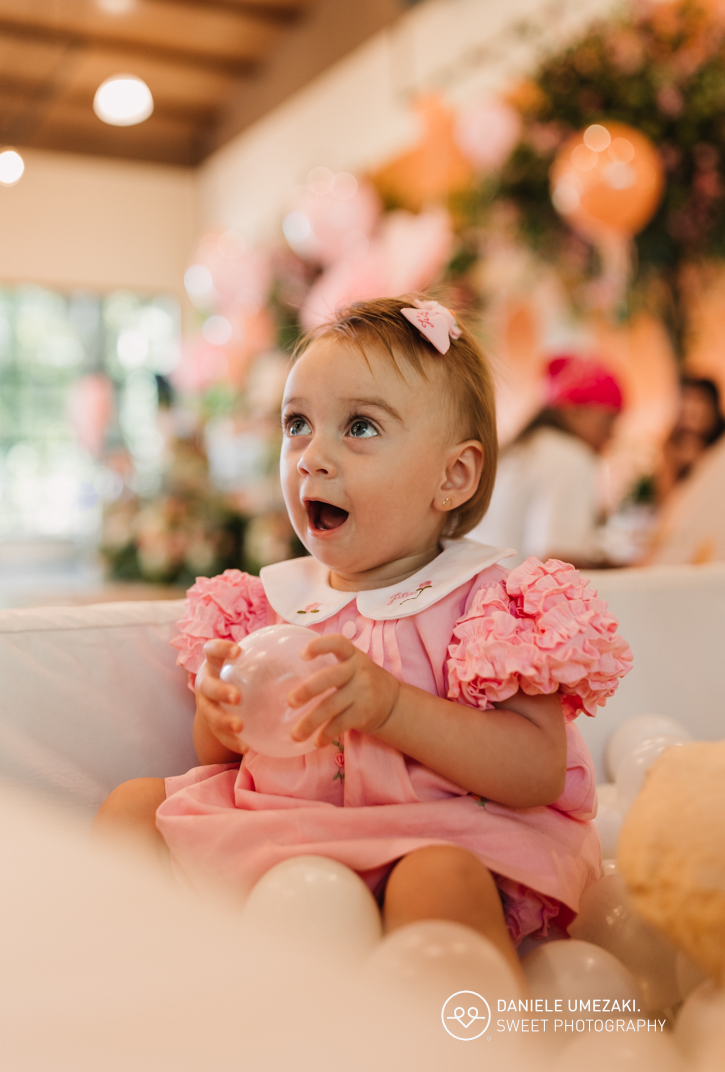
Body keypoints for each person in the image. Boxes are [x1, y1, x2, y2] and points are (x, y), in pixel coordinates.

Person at [93, 298, 632, 982]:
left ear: (453, 477)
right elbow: (226, 753)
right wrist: (222, 714)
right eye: (297, 425)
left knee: (435, 881)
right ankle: (126, 990)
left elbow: (535, 771)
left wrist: (392, 708)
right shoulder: (276, 602)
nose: (312, 457)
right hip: (285, 839)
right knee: (134, 807)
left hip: (439, 839)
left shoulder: (488, 602)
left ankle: (464, 1041)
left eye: (360, 427)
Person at [476, 355, 624, 567]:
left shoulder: (520, 450)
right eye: (608, 422)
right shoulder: (571, 459)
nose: (611, 435)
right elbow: (556, 561)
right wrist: (619, 568)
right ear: (576, 411)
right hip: (518, 596)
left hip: (482, 592)